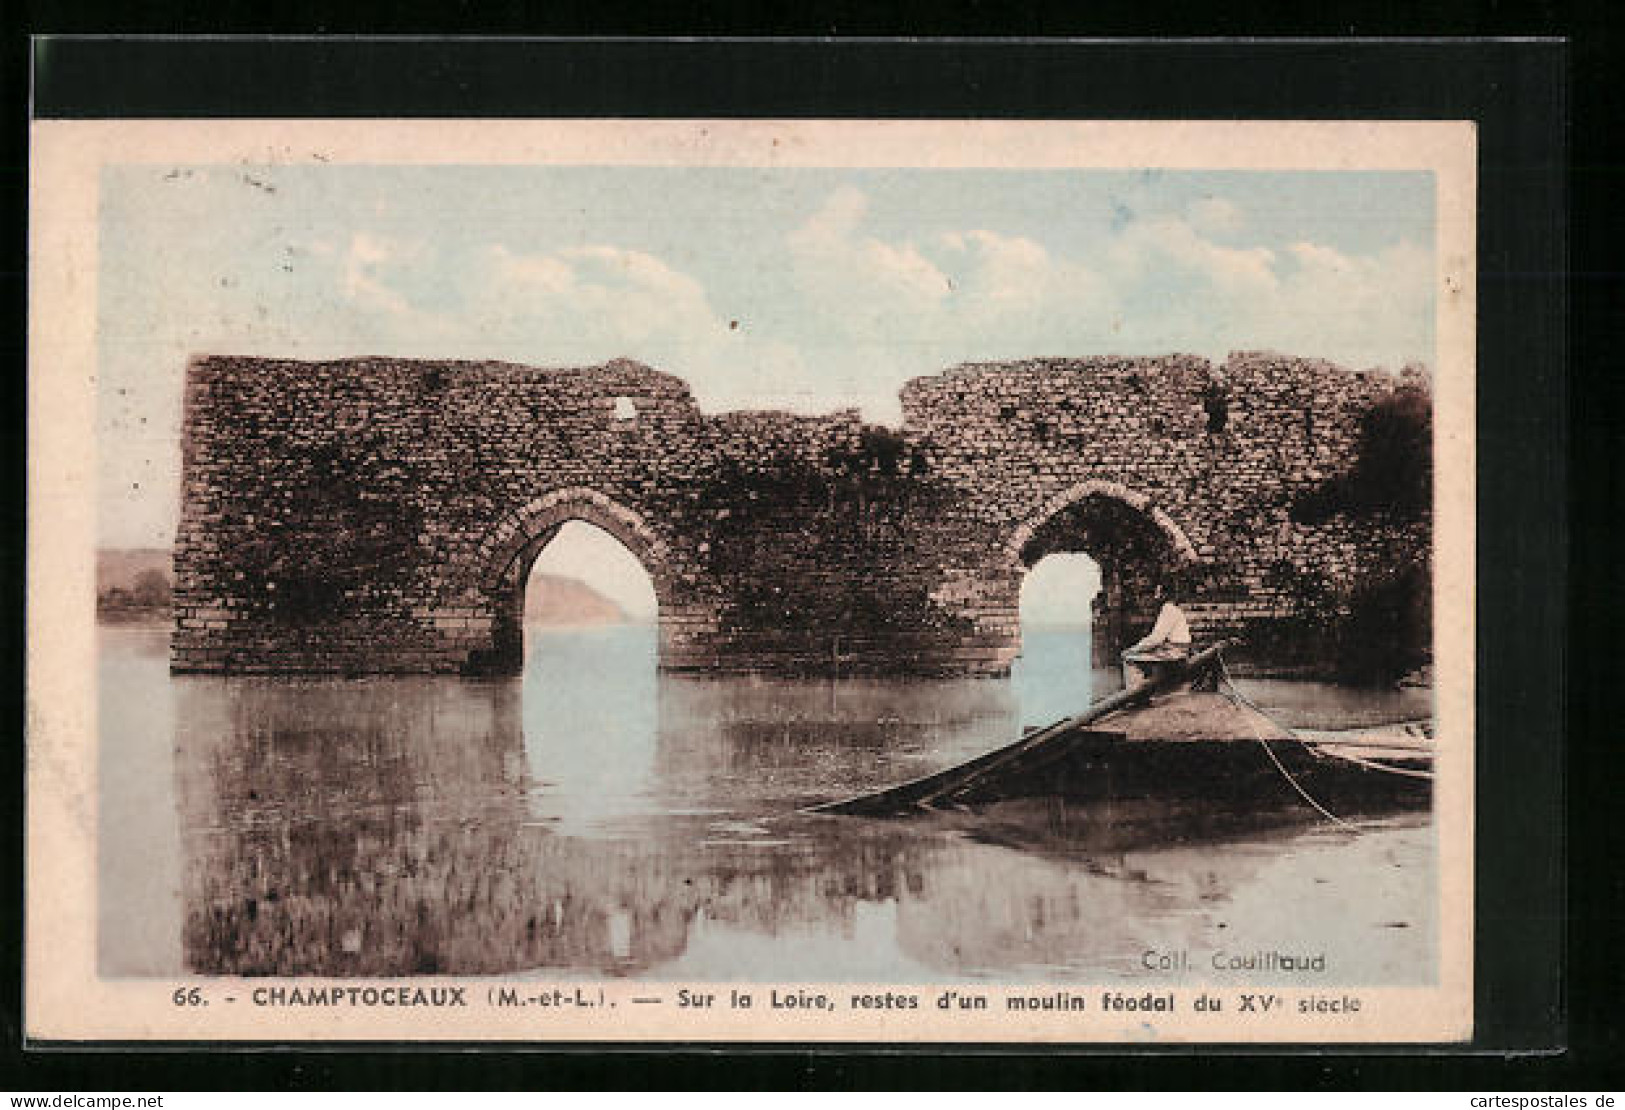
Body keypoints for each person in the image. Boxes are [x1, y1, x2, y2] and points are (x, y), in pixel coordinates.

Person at [1122, 582, 1193, 687]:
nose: (1156, 597)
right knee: (1146, 652)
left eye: (1158, 594)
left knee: (1128, 657)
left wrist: (1134, 649)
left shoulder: (1168, 609)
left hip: (1175, 652)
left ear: (1165, 595)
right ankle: (1145, 688)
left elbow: (1156, 639)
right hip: (1176, 649)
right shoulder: (1172, 609)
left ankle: (1135, 694)